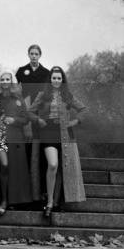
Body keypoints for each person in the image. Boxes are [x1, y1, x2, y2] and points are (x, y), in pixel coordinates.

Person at [27, 66, 86, 218]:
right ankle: (50, 201)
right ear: (50, 79)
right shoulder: (42, 94)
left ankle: (57, 202)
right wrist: (38, 120)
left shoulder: (68, 95)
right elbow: (29, 112)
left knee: (62, 168)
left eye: (59, 78)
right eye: (54, 78)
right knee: (53, 164)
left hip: (66, 135)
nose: (56, 81)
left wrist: (74, 121)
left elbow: (83, 110)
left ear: (62, 80)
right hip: (47, 132)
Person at [0, 70, 33, 215]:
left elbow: (26, 119)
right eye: (2, 79)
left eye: (7, 79)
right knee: (4, 165)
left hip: (16, 136)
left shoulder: (18, 98)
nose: (4, 82)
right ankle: (3, 200)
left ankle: (13, 201)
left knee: (15, 169)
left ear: (11, 81)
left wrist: (14, 120)